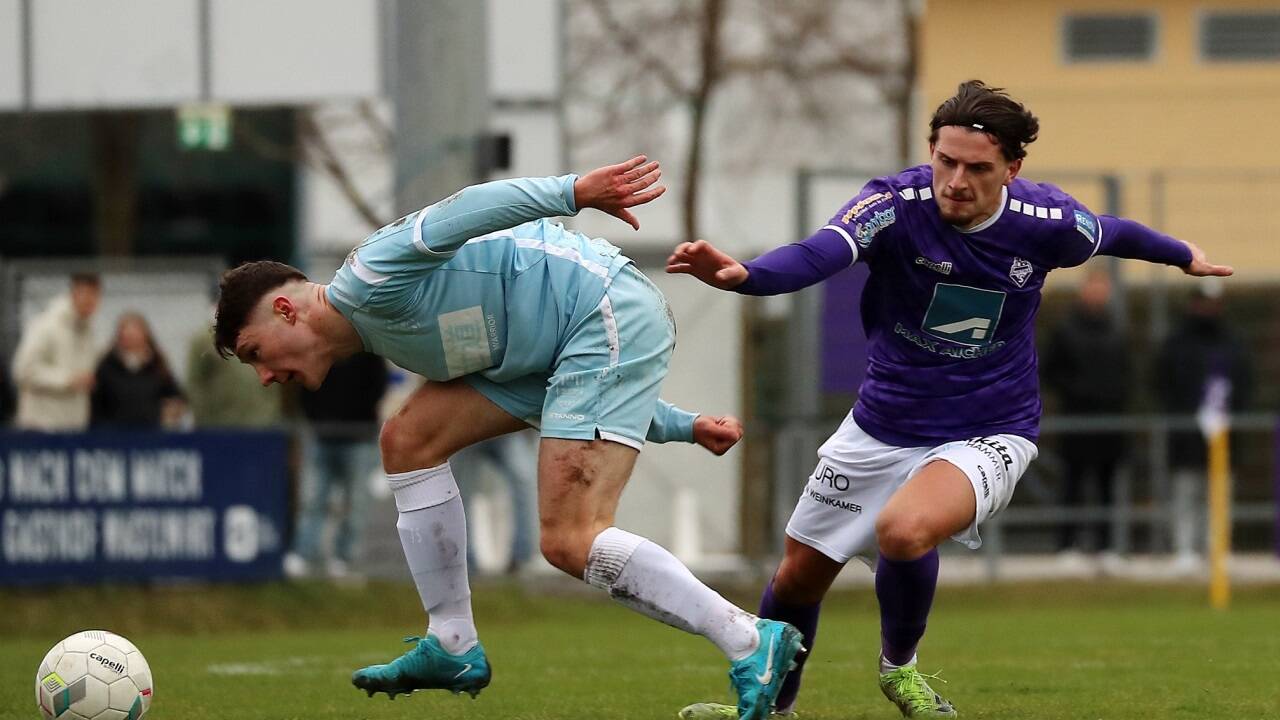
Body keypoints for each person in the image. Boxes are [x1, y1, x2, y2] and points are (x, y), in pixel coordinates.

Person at [669, 81, 1232, 719]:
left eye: (978, 167)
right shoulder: (892, 204)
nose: (956, 180)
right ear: (931, 153)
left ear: (1012, 170)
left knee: (903, 531)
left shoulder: (1044, 223)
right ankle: (773, 710)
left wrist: (1185, 255)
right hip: (882, 422)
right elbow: (820, 252)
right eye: (946, 161)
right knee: (797, 577)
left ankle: (898, 670)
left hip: (990, 427)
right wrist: (747, 275)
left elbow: (1114, 233)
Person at [211, 155, 802, 719]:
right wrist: (678, 424)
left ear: (287, 311)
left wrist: (575, 192)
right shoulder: (384, 333)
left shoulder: (366, 280)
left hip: (602, 309)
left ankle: (749, 639)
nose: (265, 377)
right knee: (407, 441)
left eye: (255, 355)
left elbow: (472, 205)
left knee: (570, 540)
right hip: (559, 350)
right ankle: (452, 643)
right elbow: (552, 391)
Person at [1154, 279, 1252, 573]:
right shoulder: (1177, 342)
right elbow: (1162, 382)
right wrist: (1183, 413)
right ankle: (1185, 549)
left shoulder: (1233, 342)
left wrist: (1229, 413)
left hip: (1224, 431)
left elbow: (1245, 383)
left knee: (1220, 493)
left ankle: (1218, 549)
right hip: (1186, 432)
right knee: (1186, 491)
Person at [1042, 268, 1131, 560]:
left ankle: (1105, 546)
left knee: (1106, 485)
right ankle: (1066, 546)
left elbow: (1124, 373)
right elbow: (1049, 370)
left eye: (1102, 287)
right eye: (1093, 286)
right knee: (1072, 482)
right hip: (1077, 421)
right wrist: (1077, 391)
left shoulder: (1115, 330)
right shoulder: (1066, 330)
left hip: (1109, 423)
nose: (1098, 293)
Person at [284, 351, 388, 580]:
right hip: (321, 436)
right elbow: (306, 387)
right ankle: (304, 553)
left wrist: (355, 416)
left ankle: (344, 557)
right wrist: (317, 419)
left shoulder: (367, 352)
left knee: (355, 502)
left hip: (359, 437)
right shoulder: (322, 348)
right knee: (313, 498)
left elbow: (377, 386)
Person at [11, 273, 102, 431]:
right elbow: (22, 370)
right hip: (40, 427)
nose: (89, 300)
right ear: (72, 294)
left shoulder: (89, 331)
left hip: (73, 426)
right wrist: (67, 380)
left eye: (94, 295)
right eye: (84, 293)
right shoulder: (46, 325)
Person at [90, 312, 185, 429]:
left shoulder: (157, 365)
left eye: (135, 334)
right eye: (127, 335)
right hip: (115, 435)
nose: (131, 338)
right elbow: (96, 405)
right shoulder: (107, 366)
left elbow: (176, 397)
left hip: (152, 433)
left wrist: (171, 413)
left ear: (145, 336)